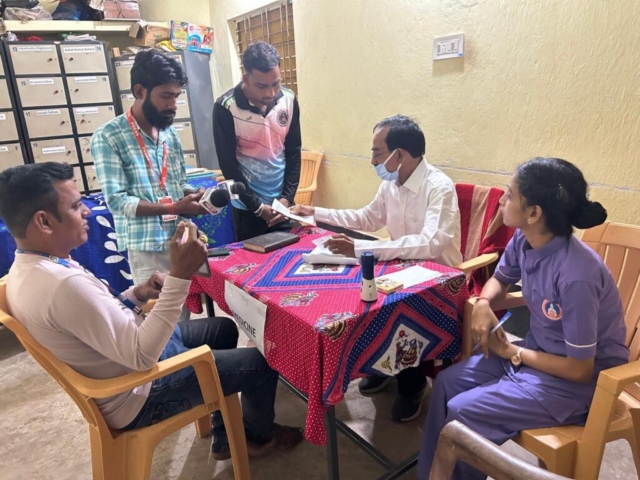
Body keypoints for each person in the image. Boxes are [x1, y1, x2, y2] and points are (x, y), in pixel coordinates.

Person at [1, 162, 303, 460]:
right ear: (44, 222)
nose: (87, 211)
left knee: (221, 329)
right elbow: (142, 356)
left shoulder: (31, 267)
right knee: (259, 363)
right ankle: (256, 435)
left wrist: (138, 293)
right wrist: (179, 276)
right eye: (76, 205)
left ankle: (226, 434)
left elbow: (98, 315)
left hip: (124, 356)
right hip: (138, 392)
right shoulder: (63, 285)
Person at [416, 157, 629, 480]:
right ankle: (432, 475)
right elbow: (500, 279)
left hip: (577, 385)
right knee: (447, 383)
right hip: (535, 355)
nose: (502, 200)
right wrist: (484, 301)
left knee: (464, 411)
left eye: (510, 194)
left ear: (533, 213)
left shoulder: (576, 276)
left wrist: (511, 352)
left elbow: (580, 369)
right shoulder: (524, 239)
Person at [292, 115, 463, 422]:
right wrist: (315, 212)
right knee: (360, 298)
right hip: (401, 268)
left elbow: (431, 244)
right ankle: (381, 367)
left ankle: (411, 384)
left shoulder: (439, 187)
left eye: (376, 152)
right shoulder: (391, 185)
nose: (372, 161)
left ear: (400, 155)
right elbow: (366, 219)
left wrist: (361, 249)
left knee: (397, 307)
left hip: (437, 279)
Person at [91, 49, 208, 286]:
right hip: (147, 246)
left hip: (180, 237)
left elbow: (178, 182)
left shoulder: (169, 134)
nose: (173, 105)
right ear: (139, 91)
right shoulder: (109, 136)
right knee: (160, 308)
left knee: (186, 305)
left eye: (176, 96)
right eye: (166, 96)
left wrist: (195, 196)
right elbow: (117, 201)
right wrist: (174, 207)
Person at [213, 41, 301, 241]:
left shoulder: (289, 99)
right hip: (248, 208)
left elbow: (294, 152)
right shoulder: (226, 107)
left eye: (276, 84)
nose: (270, 93)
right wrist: (257, 207)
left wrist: (287, 199)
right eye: (261, 86)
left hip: (282, 205)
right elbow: (228, 165)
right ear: (246, 79)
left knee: (290, 254)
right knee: (251, 259)